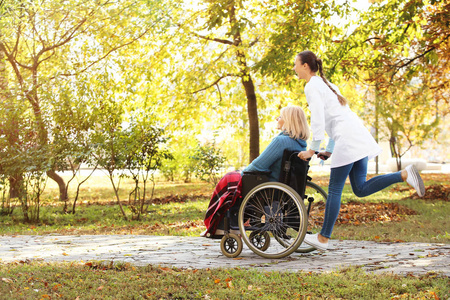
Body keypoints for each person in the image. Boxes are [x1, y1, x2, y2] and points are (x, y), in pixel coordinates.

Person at [293, 50, 425, 250]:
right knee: (360, 188)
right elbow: (335, 119)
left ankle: (323, 239)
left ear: (305, 66)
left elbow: (319, 119)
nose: (294, 68)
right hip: (356, 135)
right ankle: (404, 174)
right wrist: (328, 149)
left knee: (335, 189)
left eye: (296, 64)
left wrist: (312, 150)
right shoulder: (326, 84)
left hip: (348, 139)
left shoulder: (312, 86)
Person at [202, 105, 310, 236]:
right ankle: (225, 223)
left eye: (280, 116)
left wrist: (242, 172)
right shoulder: (300, 144)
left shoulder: (281, 141)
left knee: (231, 177)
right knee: (236, 177)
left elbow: (258, 165)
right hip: (283, 187)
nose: (277, 118)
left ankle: (220, 225)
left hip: (268, 186)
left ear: (288, 120)